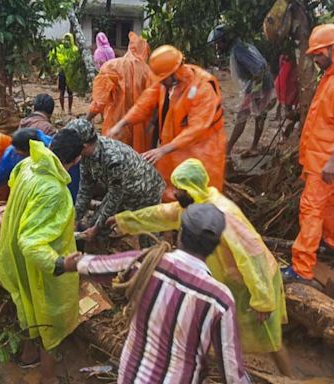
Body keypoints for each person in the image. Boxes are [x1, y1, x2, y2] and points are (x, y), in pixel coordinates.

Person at [107, 159, 288, 359]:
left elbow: (253, 255)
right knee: (232, 334)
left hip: (255, 282)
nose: (175, 194)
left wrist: (262, 299)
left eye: (179, 189)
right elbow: (159, 215)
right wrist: (123, 221)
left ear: (191, 188)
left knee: (270, 340)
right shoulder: (192, 207)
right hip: (232, 283)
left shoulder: (224, 213)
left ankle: (287, 378)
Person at [62, 204, 251, 384]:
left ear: (181, 234)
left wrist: (67, 264)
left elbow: (98, 266)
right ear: (215, 245)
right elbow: (232, 374)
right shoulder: (219, 299)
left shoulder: (147, 262)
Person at [0, 130, 82, 384]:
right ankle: (48, 377)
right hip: (41, 265)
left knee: (26, 305)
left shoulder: (28, 164)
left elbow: (16, 192)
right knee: (51, 320)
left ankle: (27, 355)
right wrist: (59, 263)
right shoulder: (54, 189)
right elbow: (32, 242)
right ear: (77, 159)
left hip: (14, 255)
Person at [110, 45, 226, 200]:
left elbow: (197, 128)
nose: (161, 82)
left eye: (163, 79)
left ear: (175, 72)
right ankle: (170, 217)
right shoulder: (168, 83)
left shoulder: (203, 87)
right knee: (169, 188)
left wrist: (163, 150)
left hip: (202, 149)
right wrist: (123, 122)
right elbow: (146, 101)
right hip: (173, 145)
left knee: (200, 192)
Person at [281, 24, 334, 283]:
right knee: (328, 208)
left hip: (325, 161)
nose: (315, 59)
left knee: (311, 209)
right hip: (321, 159)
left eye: (319, 54)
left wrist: (332, 162)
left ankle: (302, 268)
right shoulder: (329, 77)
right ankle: (331, 244)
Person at [68, 119, 164, 242]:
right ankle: (99, 256)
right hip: (123, 190)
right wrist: (76, 219)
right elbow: (85, 189)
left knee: (147, 237)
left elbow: (114, 197)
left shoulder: (112, 159)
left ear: (84, 146)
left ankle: (152, 258)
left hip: (146, 191)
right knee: (96, 226)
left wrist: (97, 228)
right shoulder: (86, 155)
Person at [208, 24, 276, 157]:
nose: (218, 47)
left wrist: (255, 94)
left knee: (242, 116)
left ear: (225, 40)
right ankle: (253, 147)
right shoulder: (241, 46)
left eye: (218, 43)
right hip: (259, 84)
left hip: (258, 84)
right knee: (259, 115)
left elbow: (258, 69)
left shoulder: (239, 50)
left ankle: (227, 150)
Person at [86, 32, 153, 152]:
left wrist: (86, 119)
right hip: (141, 135)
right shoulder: (149, 73)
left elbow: (99, 102)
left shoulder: (112, 66)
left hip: (116, 128)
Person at [0, 128, 80, 203]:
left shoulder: (60, 151)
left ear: (28, 151)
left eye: (18, 151)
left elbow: (72, 184)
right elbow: (2, 171)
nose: (15, 152)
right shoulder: (12, 152)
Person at [50, 33, 88, 114]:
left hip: (67, 73)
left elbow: (52, 58)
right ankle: (66, 110)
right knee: (65, 92)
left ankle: (65, 110)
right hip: (68, 73)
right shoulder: (73, 49)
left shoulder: (65, 48)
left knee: (65, 92)